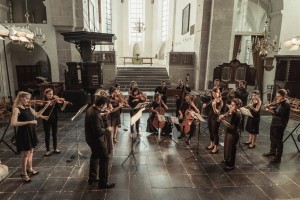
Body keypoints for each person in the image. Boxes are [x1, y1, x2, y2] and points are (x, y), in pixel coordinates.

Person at [11, 91, 50, 183]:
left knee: (31, 151)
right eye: (27, 98)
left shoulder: (28, 107)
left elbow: (37, 114)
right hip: (23, 133)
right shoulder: (16, 109)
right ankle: (24, 173)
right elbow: (14, 123)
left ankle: (30, 169)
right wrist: (29, 122)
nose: (29, 100)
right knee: (25, 154)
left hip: (30, 132)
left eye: (29, 98)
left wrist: (45, 106)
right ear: (21, 98)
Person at [85, 95, 115, 189]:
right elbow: (98, 131)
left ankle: (92, 178)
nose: (106, 106)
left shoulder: (91, 109)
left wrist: (101, 114)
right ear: (102, 104)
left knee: (94, 156)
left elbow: (96, 115)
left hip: (89, 138)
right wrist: (107, 129)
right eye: (105, 104)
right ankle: (103, 183)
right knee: (105, 158)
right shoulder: (95, 114)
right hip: (96, 140)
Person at [263, 89, 290, 164]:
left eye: (279, 96)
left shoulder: (286, 104)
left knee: (278, 141)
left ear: (283, 96)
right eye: (277, 96)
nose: (277, 98)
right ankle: (272, 152)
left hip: (280, 125)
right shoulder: (280, 102)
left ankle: (278, 158)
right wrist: (270, 107)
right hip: (274, 122)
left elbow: (279, 113)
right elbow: (276, 109)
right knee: (272, 138)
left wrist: (269, 110)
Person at [42, 88, 69, 156]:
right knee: (47, 135)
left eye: (52, 94)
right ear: (45, 94)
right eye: (49, 94)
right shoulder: (43, 102)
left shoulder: (55, 101)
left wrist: (64, 105)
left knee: (54, 134)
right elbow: (39, 113)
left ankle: (55, 148)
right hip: (46, 120)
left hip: (54, 119)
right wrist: (43, 116)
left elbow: (61, 110)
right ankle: (48, 149)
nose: (51, 96)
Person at [219, 98, 242, 171]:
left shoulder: (237, 114)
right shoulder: (232, 111)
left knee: (232, 149)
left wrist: (222, 120)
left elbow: (229, 124)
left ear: (237, 106)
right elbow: (227, 115)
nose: (231, 107)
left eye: (233, 105)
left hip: (233, 133)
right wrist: (224, 115)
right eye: (231, 105)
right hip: (229, 132)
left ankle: (231, 164)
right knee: (227, 147)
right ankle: (226, 159)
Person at [203, 88, 223, 154]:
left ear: (219, 93)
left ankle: (216, 147)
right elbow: (208, 107)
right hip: (210, 117)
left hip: (216, 118)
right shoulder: (213, 100)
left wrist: (214, 107)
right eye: (213, 94)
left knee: (215, 132)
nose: (214, 95)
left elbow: (217, 112)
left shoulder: (220, 101)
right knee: (210, 131)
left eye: (215, 93)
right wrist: (205, 105)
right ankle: (212, 144)